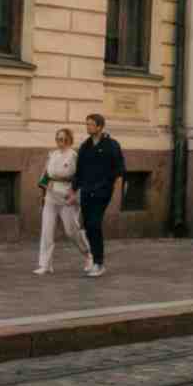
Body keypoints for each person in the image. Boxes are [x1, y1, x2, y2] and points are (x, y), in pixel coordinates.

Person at [34, 127, 93, 276]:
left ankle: (88, 255)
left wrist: (75, 195)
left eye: (63, 139)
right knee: (47, 230)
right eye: (58, 139)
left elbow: (80, 177)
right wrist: (44, 190)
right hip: (51, 196)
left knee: (71, 231)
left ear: (69, 140)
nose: (60, 142)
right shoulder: (52, 154)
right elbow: (46, 175)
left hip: (67, 196)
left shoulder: (74, 156)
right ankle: (45, 264)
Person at [74, 113, 125, 278]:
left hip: (102, 191)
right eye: (86, 124)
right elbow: (79, 170)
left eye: (90, 124)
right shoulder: (85, 146)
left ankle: (99, 263)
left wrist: (117, 189)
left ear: (100, 127)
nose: (87, 127)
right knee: (88, 226)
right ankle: (95, 259)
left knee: (94, 224)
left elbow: (119, 168)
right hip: (86, 191)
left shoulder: (111, 145)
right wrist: (74, 190)